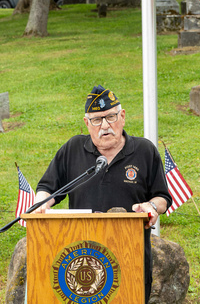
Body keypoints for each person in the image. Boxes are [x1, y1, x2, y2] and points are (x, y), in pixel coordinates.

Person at [34, 84, 172, 303]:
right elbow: (48, 189)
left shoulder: (144, 151)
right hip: (81, 260)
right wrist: (41, 204)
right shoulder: (72, 149)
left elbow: (162, 197)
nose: (105, 126)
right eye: (97, 120)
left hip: (130, 258)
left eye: (111, 117)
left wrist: (151, 206)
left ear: (123, 116)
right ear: (87, 123)